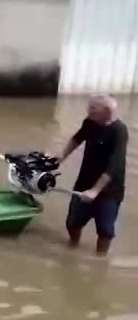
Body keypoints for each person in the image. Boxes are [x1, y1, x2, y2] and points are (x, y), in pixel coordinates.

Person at [58, 94, 126, 255]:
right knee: (72, 223)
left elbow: (115, 165)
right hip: (84, 184)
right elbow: (77, 139)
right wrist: (60, 158)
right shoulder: (90, 122)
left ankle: (100, 259)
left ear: (107, 110)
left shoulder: (119, 131)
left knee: (105, 231)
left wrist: (95, 191)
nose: (88, 111)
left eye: (92, 108)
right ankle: (72, 247)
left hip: (109, 191)